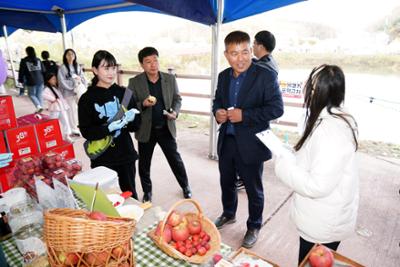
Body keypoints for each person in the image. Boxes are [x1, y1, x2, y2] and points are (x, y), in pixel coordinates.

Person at [273, 64, 359, 265]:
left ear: (317, 92)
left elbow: (316, 185)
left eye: (310, 86)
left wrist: (283, 164)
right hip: (324, 214)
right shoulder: (335, 117)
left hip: (322, 221)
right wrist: (291, 152)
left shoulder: (330, 132)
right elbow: (316, 159)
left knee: (309, 261)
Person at [212, 31, 284, 248]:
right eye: (234, 53)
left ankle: (254, 225)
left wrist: (245, 115)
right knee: (226, 182)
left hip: (252, 143)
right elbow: (217, 101)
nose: (240, 58)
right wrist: (218, 113)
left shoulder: (265, 75)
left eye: (245, 51)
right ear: (226, 55)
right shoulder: (224, 76)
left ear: (251, 51)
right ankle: (228, 213)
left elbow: (277, 108)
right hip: (228, 140)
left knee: (254, 188)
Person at [128, 47, 191, 203]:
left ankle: (185, 186)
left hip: (165, 127)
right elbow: (127, 105)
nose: (153, 65)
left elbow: (177, 99)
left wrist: (175, 113)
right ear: (142, 65)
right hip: (146, 130)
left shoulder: (170, 79)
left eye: (155, 60)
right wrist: (142, 104)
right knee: (144, 164)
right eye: (148, 62)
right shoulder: (134, 82)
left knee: (175, 160)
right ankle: (147, 192)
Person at [78, 50, 141, 199]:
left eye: (113, 68)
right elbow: (86, 132)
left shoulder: (125, 94)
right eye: (106, 68)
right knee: (106, 199)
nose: (111, 72)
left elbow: (136, 126)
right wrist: (108, 128)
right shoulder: (87, 99)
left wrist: (132, 120)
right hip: (102, 158)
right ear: (94, 70)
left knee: (130, 195)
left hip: (126, 155)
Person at [58, 48, 87, 136]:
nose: (71, 56)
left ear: (75, 56)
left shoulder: (77, 66)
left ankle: (78, 127)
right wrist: (73, 83)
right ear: (65, 56)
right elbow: (61, 81)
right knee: (71, 111)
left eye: (72, 54)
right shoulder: (62, 68)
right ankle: (73, 129)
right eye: (68, 54)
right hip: (68, 93)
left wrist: (81, 81)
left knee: (79, 110)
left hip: (78, 91)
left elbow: (83, 77)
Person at [42, 72, 73, 142]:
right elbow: (43, 95)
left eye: (55, 79)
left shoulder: (56, 88)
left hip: (61, 108)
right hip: (55, 109)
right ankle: (51, 136)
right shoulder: (46, 89)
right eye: (53, 79)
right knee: (52, 123)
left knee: (65, 121)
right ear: (48, 80)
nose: (55, 81)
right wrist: (53, 99)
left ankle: (67, 135)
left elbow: (61, 97)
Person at [18, 46, 45, 113]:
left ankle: (38, 106)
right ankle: (40, 110)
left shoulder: (24, 60)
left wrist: (20, 79)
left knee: (31, 94)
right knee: (39, 95)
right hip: (40, 80)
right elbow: (43, 70)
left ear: (27, 52)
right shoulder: (38, 60)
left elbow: (21, 71)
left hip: (31, 81)